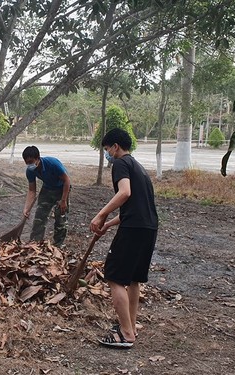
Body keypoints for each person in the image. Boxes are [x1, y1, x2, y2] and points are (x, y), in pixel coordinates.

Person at [90, 128, 158, 349]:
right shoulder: (140, 168)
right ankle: (130, 326)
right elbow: (137, 205)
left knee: (115, 277)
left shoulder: (120, 163)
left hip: (134, 229)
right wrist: (110, 223)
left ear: (115, 147)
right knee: (133, 279)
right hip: (148, 228)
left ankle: (126, 334)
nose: (108, 154)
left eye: (107, 149)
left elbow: (125, 193)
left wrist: (101, 214)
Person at [22, 146, 70, 247]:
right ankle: (35, 243)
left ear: (38, 158)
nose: (29, 165)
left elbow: (67, 181)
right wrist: (26, 208)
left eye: (31, 161)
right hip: (47, 189)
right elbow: (31, 190)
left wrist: (63, 200)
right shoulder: (30, 171)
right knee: (40, 216)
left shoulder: (52, 164)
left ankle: (58, 246)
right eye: (27, 163)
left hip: (62, 189)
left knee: (60, 218)